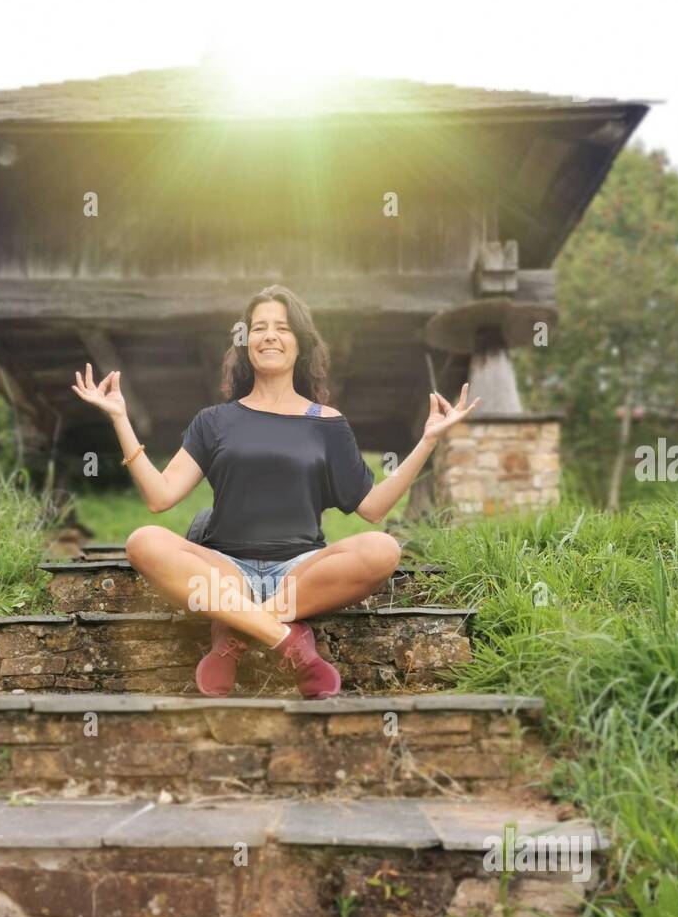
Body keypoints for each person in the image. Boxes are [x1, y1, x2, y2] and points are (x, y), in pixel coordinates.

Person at [72, 284, 479, 699]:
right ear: (246, 343)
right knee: (143, 541)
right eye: (259, 327)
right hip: (226, 572)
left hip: (299, 572)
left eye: (282, 328)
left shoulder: (328, 423)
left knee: (383, 549)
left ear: (299, 343)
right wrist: (120, 418)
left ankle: (237, 633)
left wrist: (428, 441)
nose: (269, 335)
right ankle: (291, 642)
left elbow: (373, 508)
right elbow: (160, 497)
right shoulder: (214, 421)